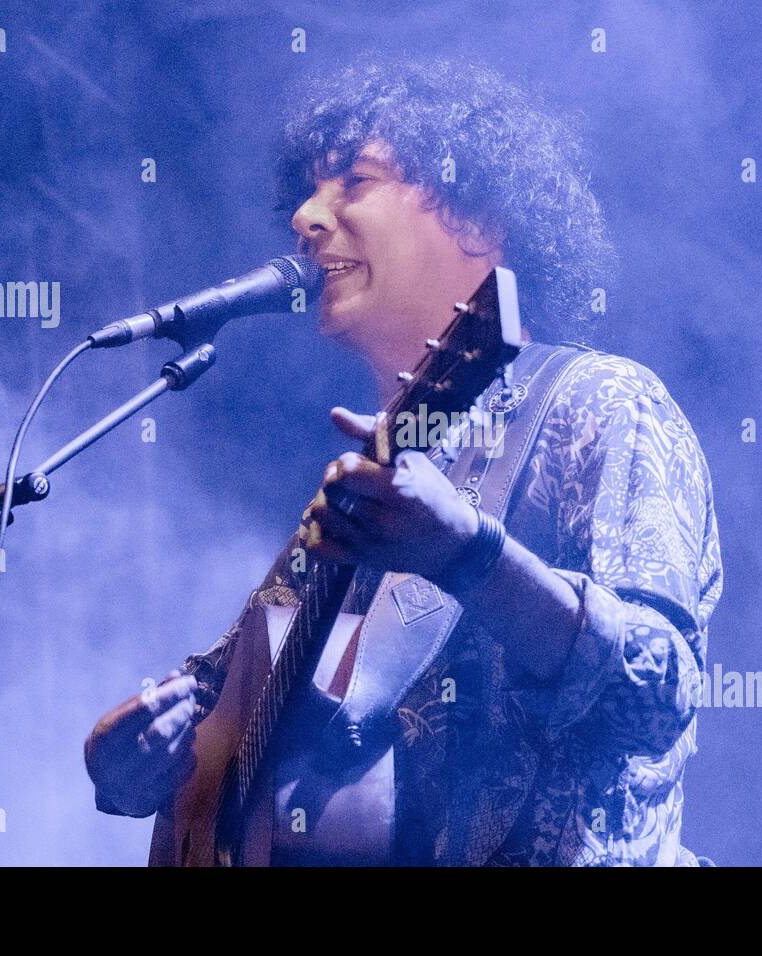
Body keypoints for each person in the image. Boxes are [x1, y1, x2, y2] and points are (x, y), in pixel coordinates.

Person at [84, 55, 722, 866]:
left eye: (355, 179)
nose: (308, 217)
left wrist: (468, 553)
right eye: (308, 191)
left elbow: (658, 692)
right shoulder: (366, 487)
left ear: (478, 219)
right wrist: (133, 763)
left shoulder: (600, 403)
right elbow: (223, 693)